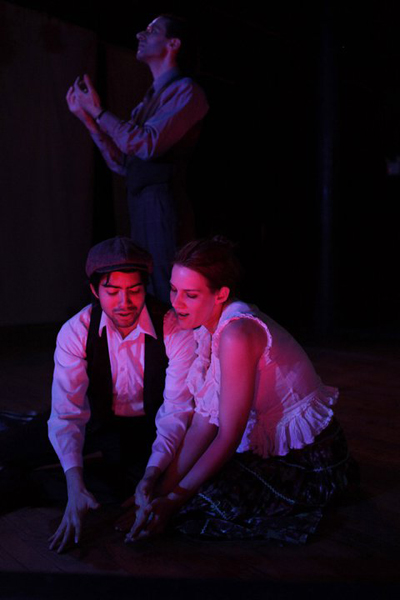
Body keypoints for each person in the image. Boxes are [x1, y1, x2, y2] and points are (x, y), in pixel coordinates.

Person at [127, 237, 358, 544]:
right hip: (277, 451)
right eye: (173, 290)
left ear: (221, 294)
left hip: (312, 459)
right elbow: (203, 423)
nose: (177, 303)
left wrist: (172, 500)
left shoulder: (236, 333)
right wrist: (158, 488)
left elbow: (228, 435)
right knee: (181, 494)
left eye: (191, 295)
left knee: (198, 503)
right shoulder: (209, 328)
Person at [47, 236, 194, 552]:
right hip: (96, 421)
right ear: (94, 291)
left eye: (134, 290)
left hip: (147, 430)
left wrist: (152, 474)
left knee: (130, 487)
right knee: (16, 448)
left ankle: (47, 485)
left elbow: (176, 412)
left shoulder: (172, 328)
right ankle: (70, 486)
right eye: (112, 292)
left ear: (145, 288)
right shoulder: (76, 331)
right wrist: (74, 482)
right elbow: (67, 413)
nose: (124, 303)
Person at [66, 15, 209, 303]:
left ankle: (178, 333)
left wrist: (98, 113)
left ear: (173, 43)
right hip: (141, 199)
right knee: (146, 281)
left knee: (167, 283)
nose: (139, 35)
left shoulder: (187, 91)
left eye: (151, 31)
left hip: (163, 199)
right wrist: (89, 119)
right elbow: (123, 161)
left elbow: (145, 145)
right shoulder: (149, 100)